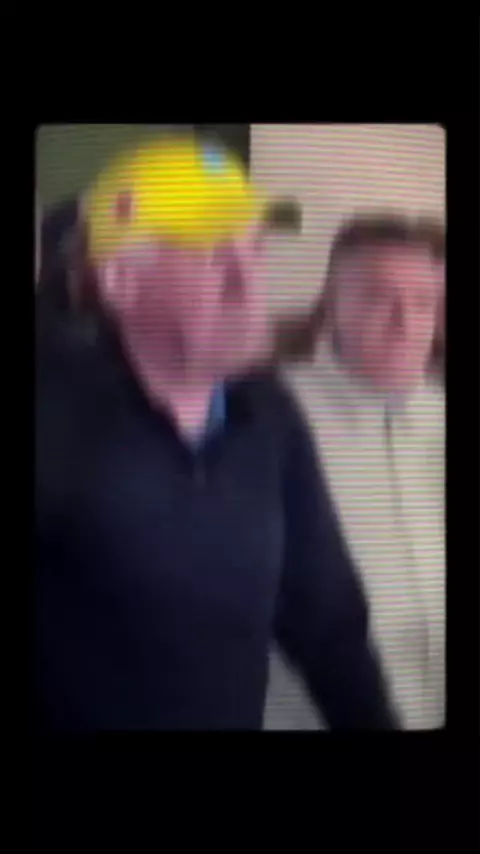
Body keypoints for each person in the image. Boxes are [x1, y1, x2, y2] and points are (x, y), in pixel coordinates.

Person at [35, 133, 398, 731]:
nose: (249, 284)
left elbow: (327, 619)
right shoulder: (55, 412)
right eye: (212, 258)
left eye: (254, 252)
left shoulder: (269, 413)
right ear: (121, 282)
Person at [265, 213, 445, 730]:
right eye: (379, 298)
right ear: (331, 305)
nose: (405, 322)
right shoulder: (271, 416)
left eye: (424, 302)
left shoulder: (440, 414)